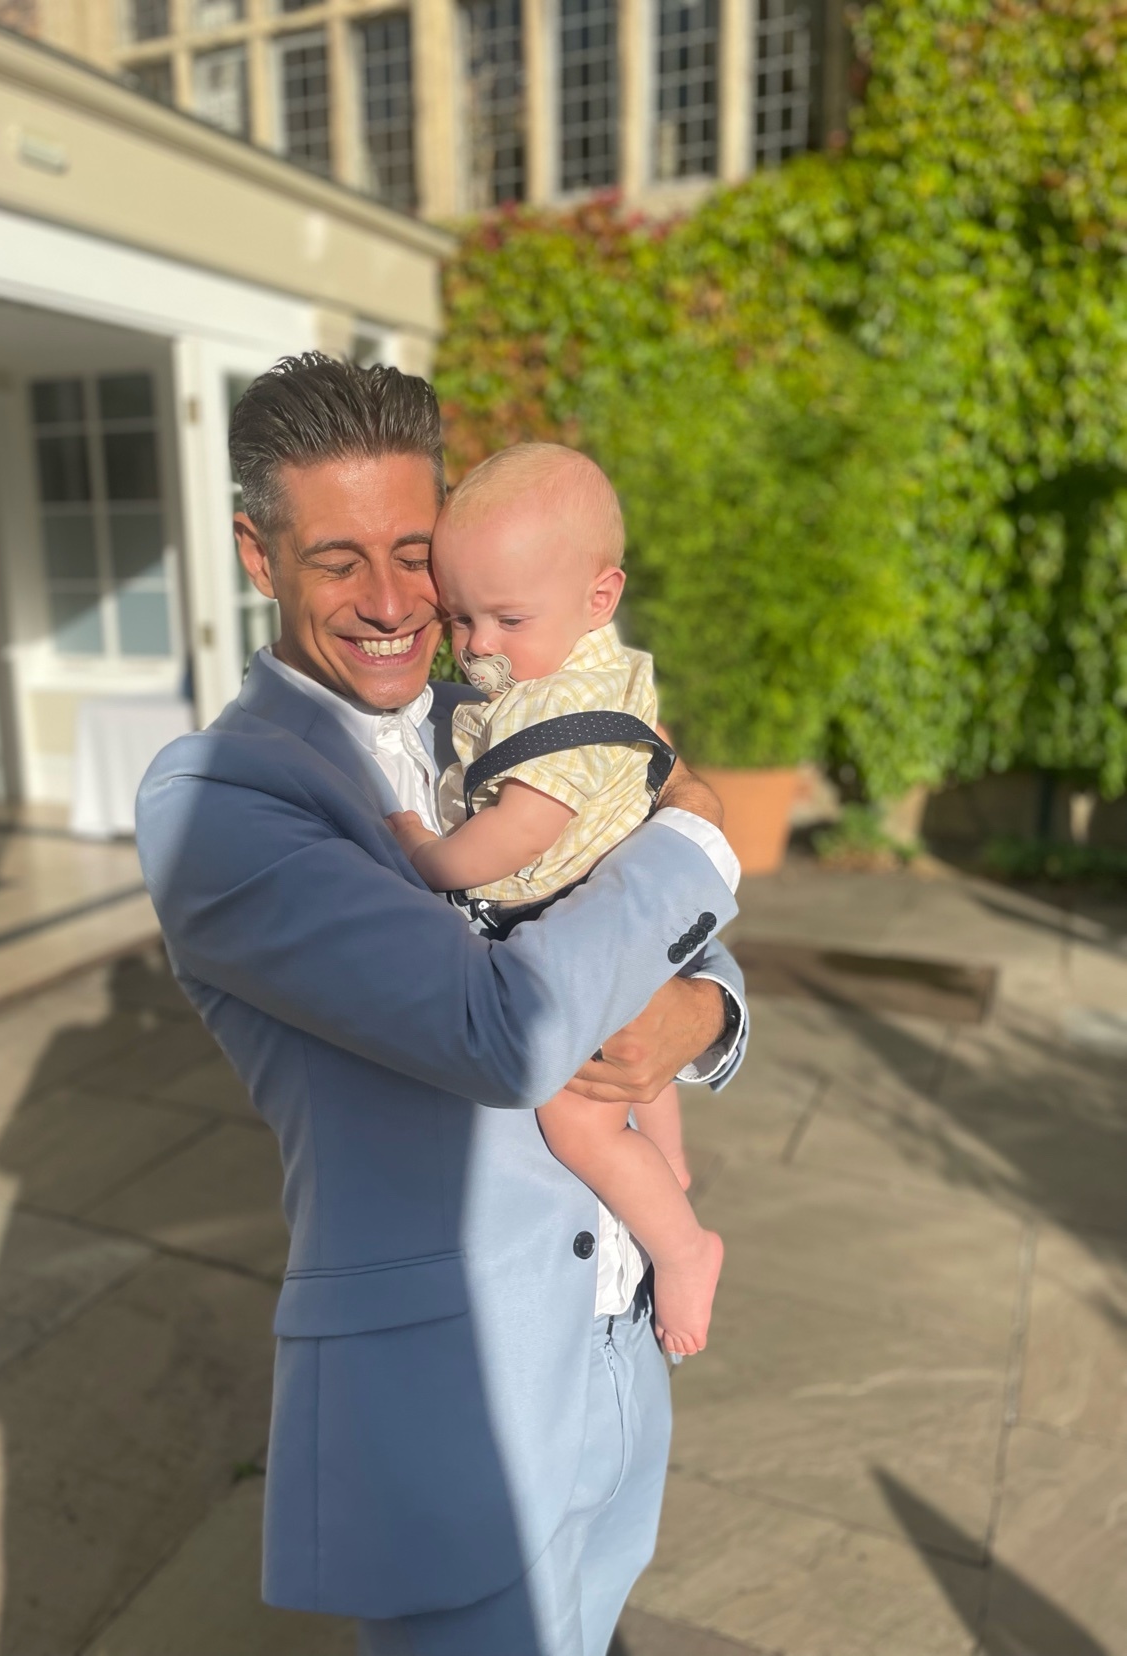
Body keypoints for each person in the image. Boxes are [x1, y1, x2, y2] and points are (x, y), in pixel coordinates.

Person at [134, 354, 749, 1656]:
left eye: (415, 552)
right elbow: (507, 1029)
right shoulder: (218, 806)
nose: (391, 603)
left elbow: (659, 930)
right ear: (257, 555)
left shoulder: (505, 695)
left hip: (622, 1332)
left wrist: (695, 1019)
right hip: (454, 1398)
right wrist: (698, 841)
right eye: (336, 560)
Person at [388, 443, 728, 1358]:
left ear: (600, 597)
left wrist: (428, 852)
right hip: (639, 927)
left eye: (506, 617)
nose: (479, 645)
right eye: (459, 617)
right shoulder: (589, 670)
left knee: (576, 1115)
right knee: (639, 1084)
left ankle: (686, 1247)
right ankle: (671, 1171)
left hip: (584, 926)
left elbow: (516, 836)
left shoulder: (551, 722)